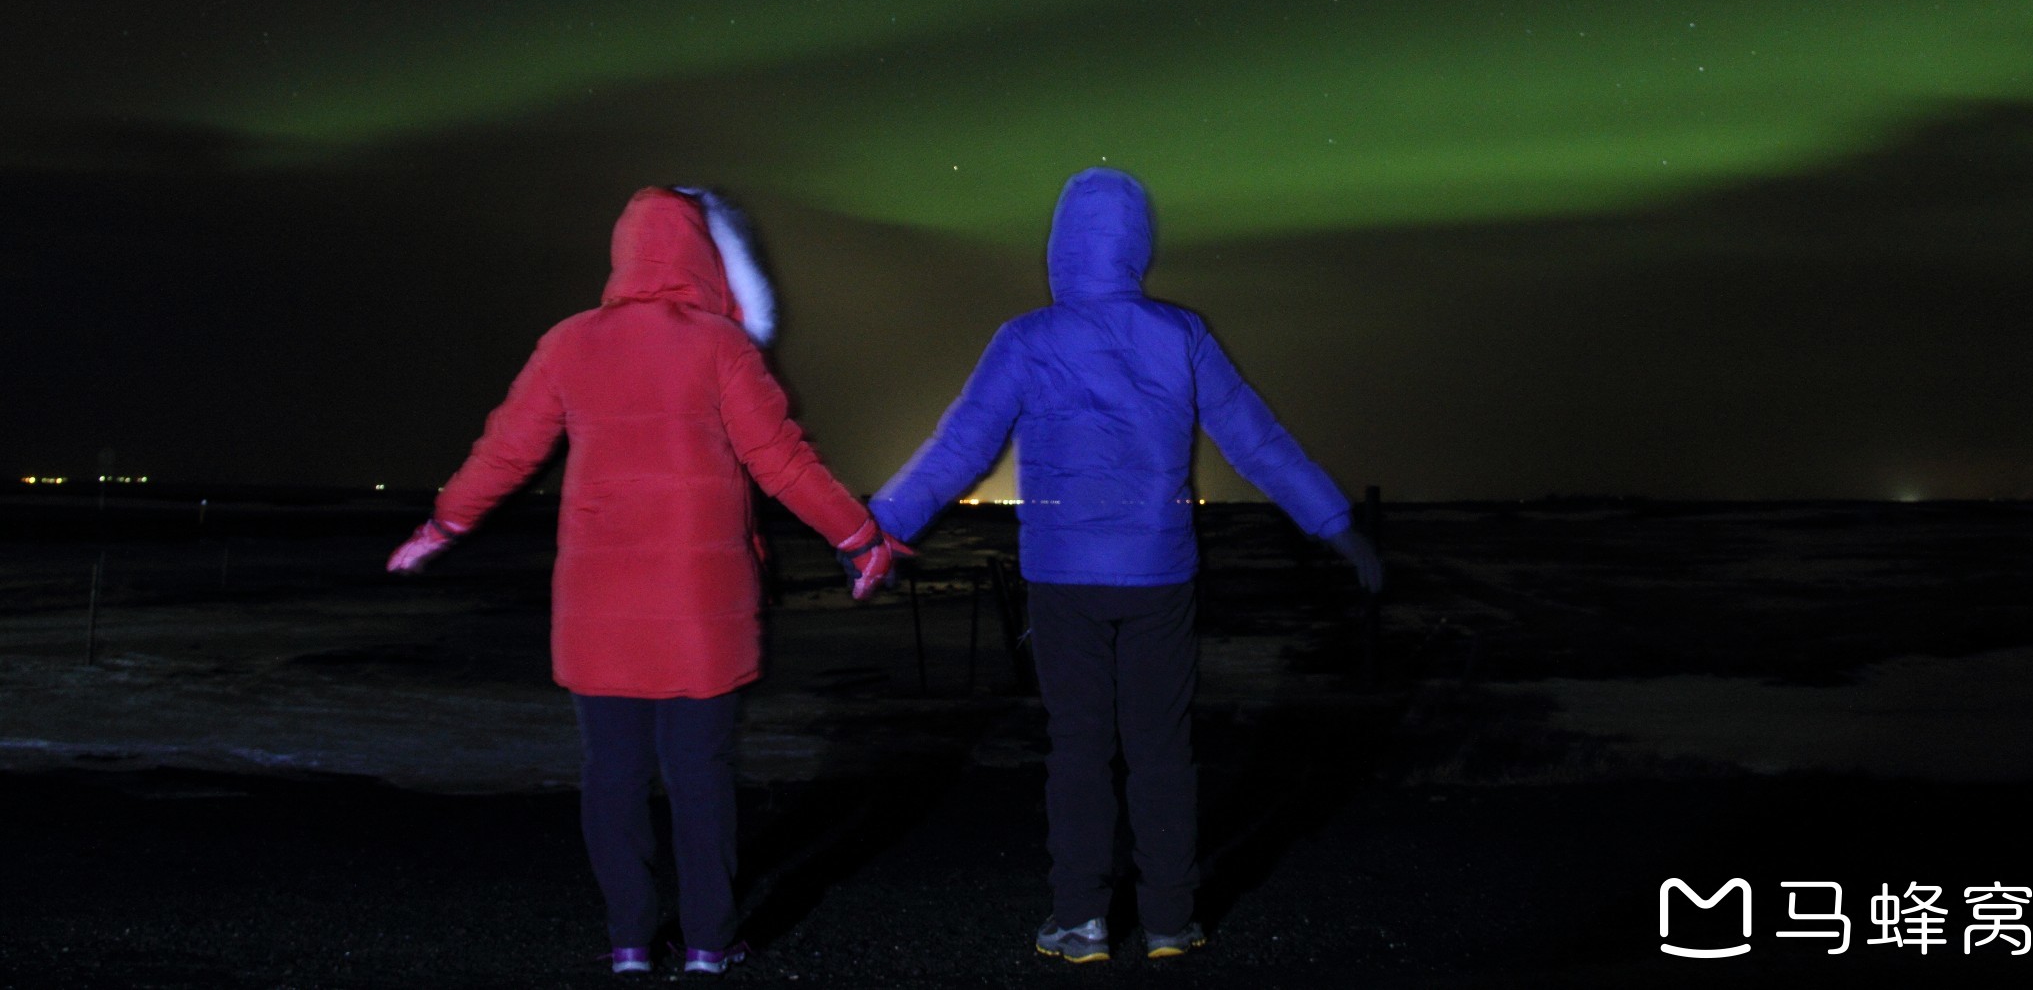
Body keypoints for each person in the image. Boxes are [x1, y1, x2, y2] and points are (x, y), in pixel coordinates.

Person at [385, 186, 911, 977]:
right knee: (700, 775)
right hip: (702, 607)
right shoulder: (722, 345)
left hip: (598, 605)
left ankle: (631, 941)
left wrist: (444, 524)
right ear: (700, 256)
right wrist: (858, 536)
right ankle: (707, 942)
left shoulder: (568, 342)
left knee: (613, 774)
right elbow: (782, 460)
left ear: (622, 253)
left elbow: (506, 450)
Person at [870, 167, 1381, 964]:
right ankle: (1171, 918)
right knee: (1160, 746)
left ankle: (1081, 920)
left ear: (1060, 245)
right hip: (1159, 573)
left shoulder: (1027, 338)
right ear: (1138, 244)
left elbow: (960, 448)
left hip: (1064, 575)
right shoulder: (1181, 334)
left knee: (1078, 745)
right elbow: (1256, 439)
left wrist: (878, 528)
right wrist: (1334, 522)